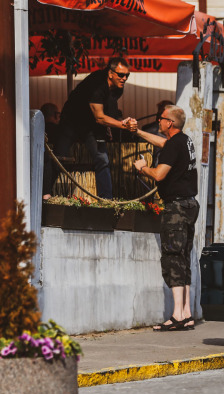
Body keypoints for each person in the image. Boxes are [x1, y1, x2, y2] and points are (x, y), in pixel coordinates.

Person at [133, 105, 200, 331]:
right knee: (183, 257)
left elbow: (160, 174)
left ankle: (177, 314)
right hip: (190, 204)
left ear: (169, 123)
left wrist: (143, 168)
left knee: (172, 257)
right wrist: (139, 133)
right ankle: (187, 313)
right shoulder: (184, 140)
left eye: (160, 119)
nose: (158, 122)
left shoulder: (174, 144)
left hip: (177, 207)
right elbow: (164, 144)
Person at [55, 57, 138, 199]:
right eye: (121, 75)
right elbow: (100, 117)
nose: (124, 79)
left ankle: (106, 200)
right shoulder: (97, 85)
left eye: (127, 75)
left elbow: (109, 110)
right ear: (110, 73)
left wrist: (116, 124)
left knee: (102, 160)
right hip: (72, 120)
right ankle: (44, 194)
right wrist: (123, 125)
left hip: (91, 125)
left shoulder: (118, 87)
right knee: (57, 157)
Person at [41, 103, 60, 200]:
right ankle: (46, 193)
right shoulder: (57, 130)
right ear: (56, 114)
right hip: (50, 161)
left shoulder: (39, 128)